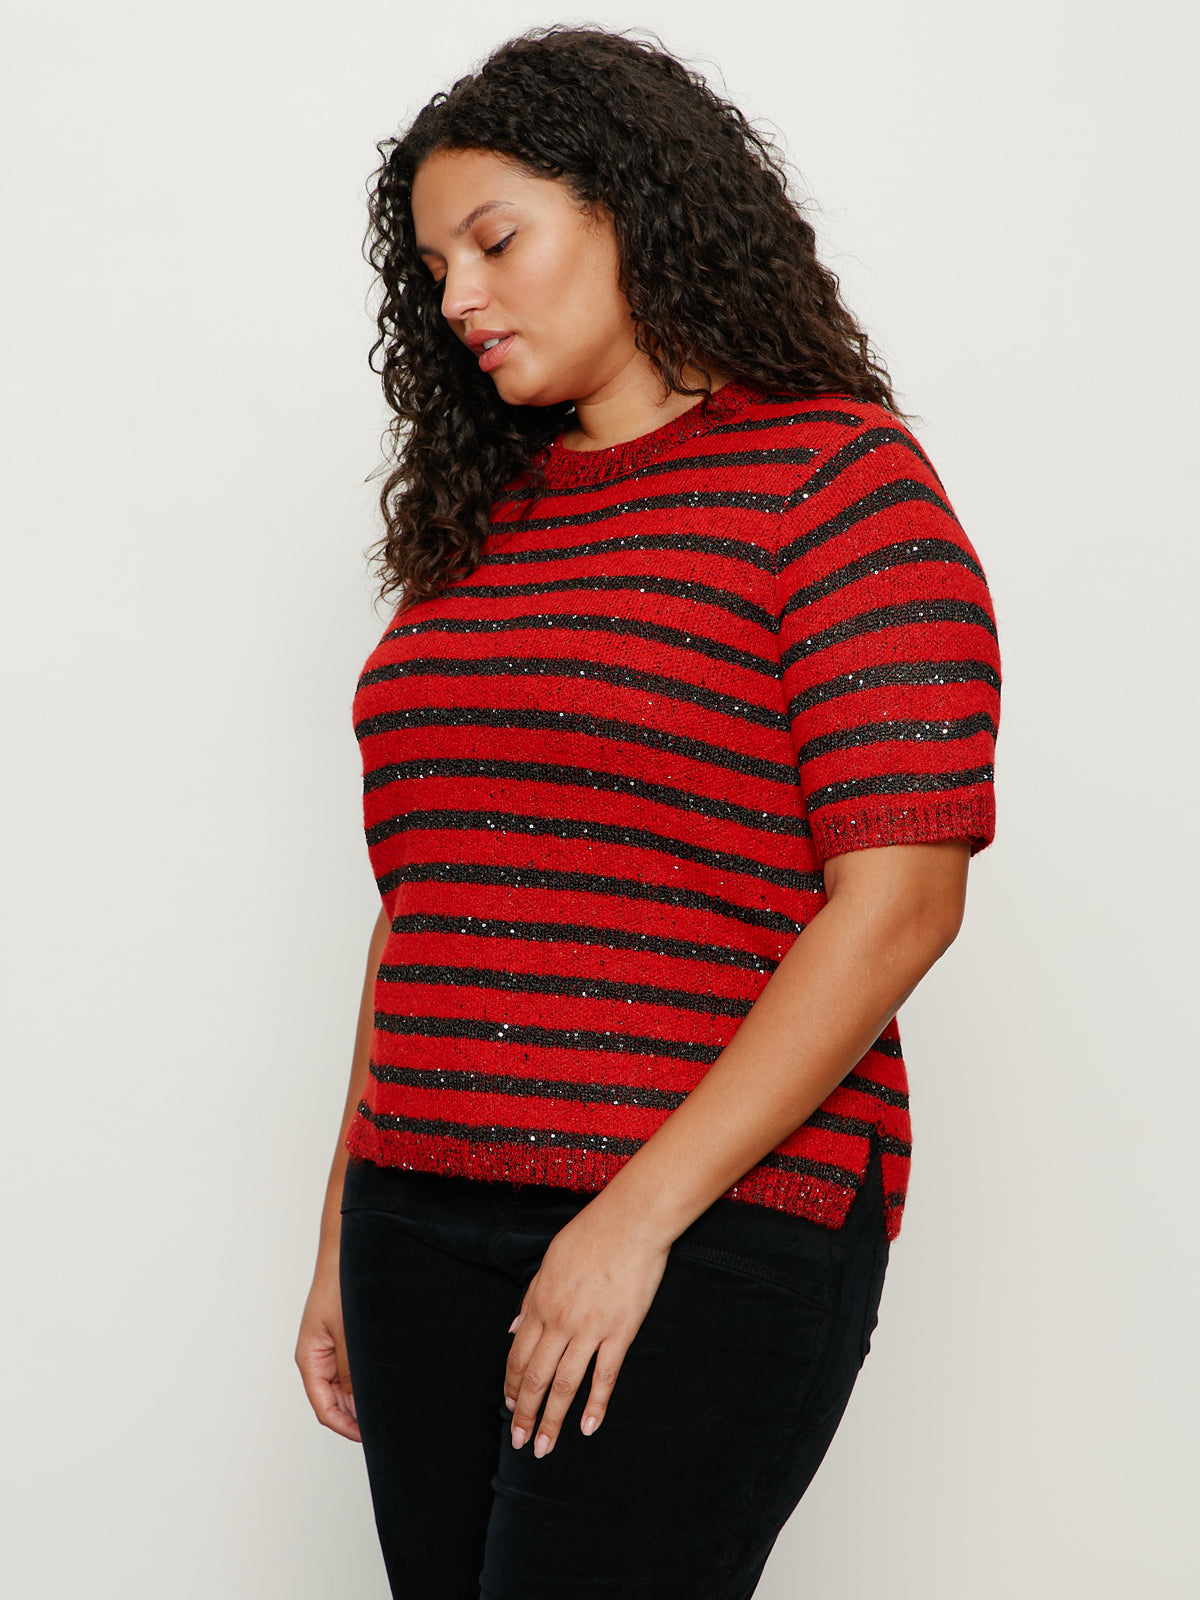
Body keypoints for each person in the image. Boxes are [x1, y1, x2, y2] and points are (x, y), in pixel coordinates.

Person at [295, 23, 1001, 1600]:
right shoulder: (486, 533)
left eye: (497, 240)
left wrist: (629, 1225)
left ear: (633, 207)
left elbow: (899, 901)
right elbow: (429, 895)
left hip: (704, 1223)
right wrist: (344, 1220)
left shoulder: (835, 482)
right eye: (432, 267)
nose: (458, 295)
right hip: (421, 1215)